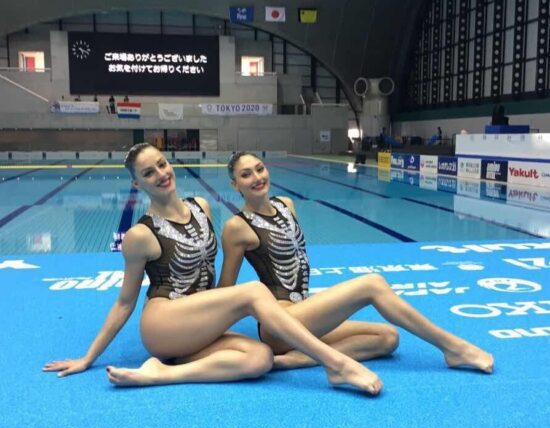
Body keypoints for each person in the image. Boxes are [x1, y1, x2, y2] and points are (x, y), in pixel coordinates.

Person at [43, 143, 382, 394]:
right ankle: (336, 364)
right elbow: (124, 303)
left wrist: (226, 309)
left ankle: (162, 373)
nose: (161, 174)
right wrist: (88, 358)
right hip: (164, 323)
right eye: (148, 173)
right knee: (253, 292)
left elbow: (216, 287)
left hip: (197, 323)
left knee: (260, 358)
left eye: (162, 164)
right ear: (137, 184)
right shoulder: (139, 235)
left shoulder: (201, 206)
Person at [219, 152, 494, 375]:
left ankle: (297, 359)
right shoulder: (236, 227)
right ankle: (453, 347)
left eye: (259, 169)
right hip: (278, 324)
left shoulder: (286, 204)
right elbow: (226, 292)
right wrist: (211, 336)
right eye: (246, 174)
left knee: (388, 338)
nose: (257, 177)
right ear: (235, 185)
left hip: (304, 311)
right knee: (372, 284)